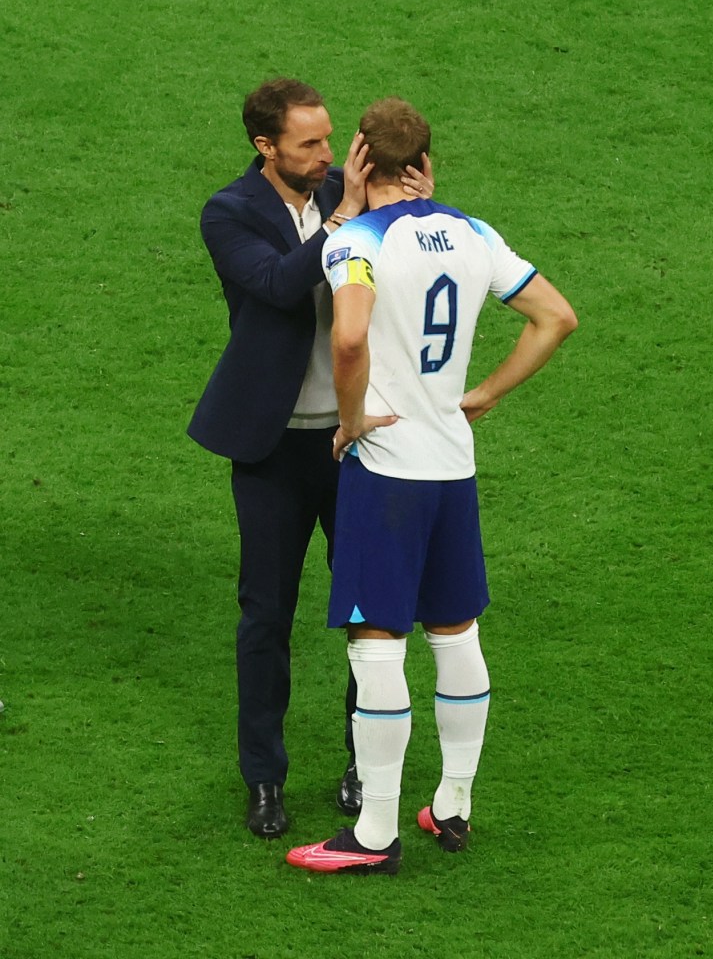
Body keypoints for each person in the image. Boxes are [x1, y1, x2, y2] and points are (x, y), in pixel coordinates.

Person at [285, 97, 578, 874]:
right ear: (426, 163)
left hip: (386, 473)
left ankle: (373, 833)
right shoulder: (476, 234)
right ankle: (452, 805)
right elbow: (556, 318)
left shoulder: (353, 241)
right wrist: (482, 395)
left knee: (375, 639)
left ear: (359, 162)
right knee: (455, 631)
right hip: (452, 465)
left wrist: (350, 420)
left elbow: (348, 336)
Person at [188, 79, 433, 839]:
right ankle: (264, 778)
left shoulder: (351, 191)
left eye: (331, 140)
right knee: (266, 617)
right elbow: (276, 286)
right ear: (265, 146)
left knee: (368, 614)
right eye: (309, 144)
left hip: (359, 443)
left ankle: (366, 764)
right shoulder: (229, 213)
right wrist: (349, 217)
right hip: (272, 448)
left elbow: (426, 268)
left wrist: (418, 208)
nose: (329, 155)